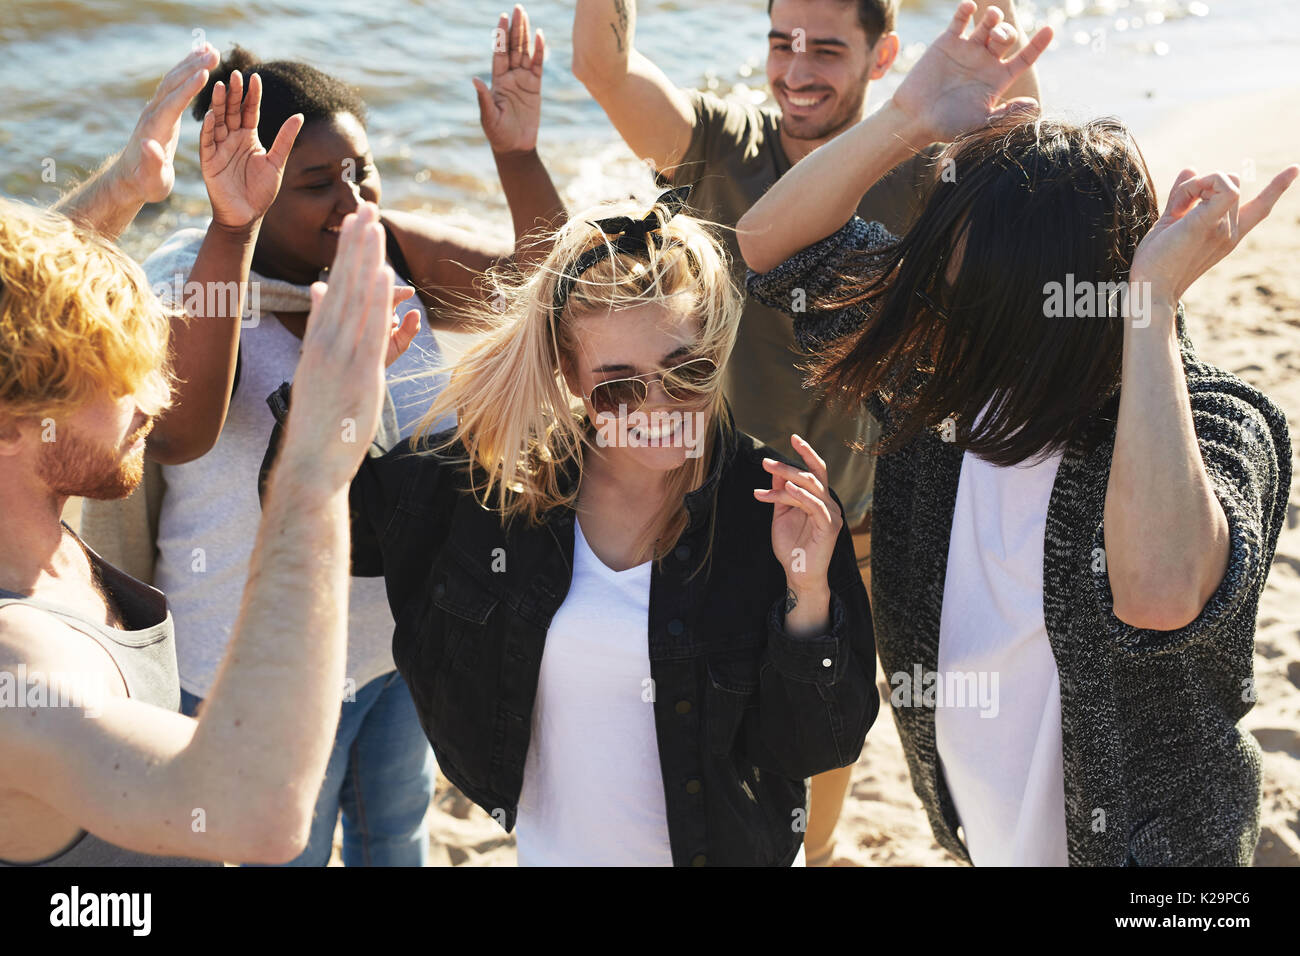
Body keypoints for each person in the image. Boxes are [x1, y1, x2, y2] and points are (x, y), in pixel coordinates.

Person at [738, 0, 1296, 865]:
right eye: (942, 287)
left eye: (973, 300)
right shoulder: (941, 379)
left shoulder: (1220, 423)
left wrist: (1149, 309)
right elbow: (770, 246)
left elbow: (1158, 594)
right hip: (979, 838)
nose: (940, 317)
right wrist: (908, 118)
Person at [258, 187, 879, 866]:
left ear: (717, 352)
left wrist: (809, 595)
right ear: (572, 377)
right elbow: (327, 519)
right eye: (619, 386)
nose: (658, 406)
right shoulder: (497, 488)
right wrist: (336, 396)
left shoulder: (774, 509)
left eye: (687, 372)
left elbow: (819, 744)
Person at [79, 5, 566, 867]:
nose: (352, 200)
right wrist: (233, 229)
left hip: (391, 650)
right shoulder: (193, 283)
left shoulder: (388, 260)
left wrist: (517, 155)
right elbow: (180, 435)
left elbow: (555, 299)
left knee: (397, 829)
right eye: (315, 185)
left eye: (362, 171)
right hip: (247, 666)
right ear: (252, 185)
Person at [571, 0, 1037, 863]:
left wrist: (1007, 55)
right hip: (708, 510)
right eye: (782, 43)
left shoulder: (926, 166)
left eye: (827, 48)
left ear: (884, 54)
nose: (796, 69)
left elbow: (1030, 164)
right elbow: (604, 69)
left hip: (862, 519)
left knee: (826, 715)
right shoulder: (715, 143)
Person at [0, 186, 407, 864]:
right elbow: (255, 814)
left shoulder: (37, 537)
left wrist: (128, 186)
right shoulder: (20, 667)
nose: (154, 401)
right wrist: (313, 466)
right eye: (117, 381)